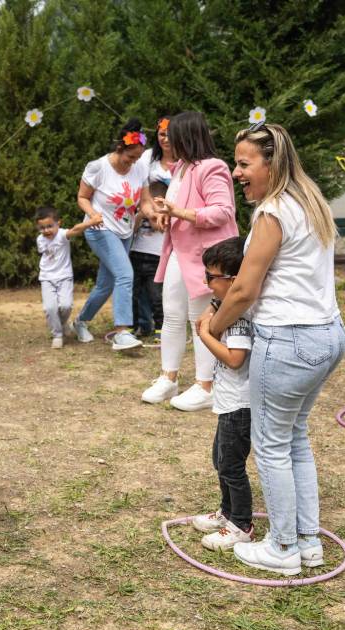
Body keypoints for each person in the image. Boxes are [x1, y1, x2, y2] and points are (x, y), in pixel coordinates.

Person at [206, 122, 345, 576]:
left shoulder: (273, 212)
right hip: (327, 334)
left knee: (270, 446)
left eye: (244, 163)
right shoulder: (309, 201)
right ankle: (307, 542)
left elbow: (244, 289)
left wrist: (214, 326)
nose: (236, 172)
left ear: (272, 163)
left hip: (289, 340)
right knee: (294, 438)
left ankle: (282, 548)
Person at [143, 111, 238, 411]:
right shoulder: (181, 168)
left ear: (187, 136)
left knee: (200, 318)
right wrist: (166, 215)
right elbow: (178, 207)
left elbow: (223, 211)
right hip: (179, 252)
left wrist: (179, 213)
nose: (167, 140)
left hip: (204, 257)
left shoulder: (213, 167)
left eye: (173, 135)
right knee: (172, 314)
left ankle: (205, 385)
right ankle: (168, 377)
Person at [190, 237, 254, 551]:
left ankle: (241, 524)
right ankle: (227, 512)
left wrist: (204, 334)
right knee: (220, 459)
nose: (207, 282)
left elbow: (235, 358)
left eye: (212, 277)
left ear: (234, 280)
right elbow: (214, 306)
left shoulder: (238, 318)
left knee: (231, 466)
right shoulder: (226, 308)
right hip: (229, 402)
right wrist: (212, 309)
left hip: (240, 405)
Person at [70, 118, 148, 350]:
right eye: (129, 157)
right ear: (119, 148)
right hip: (100, 229)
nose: (133, 162)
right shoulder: (98, 167)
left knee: (105, 285)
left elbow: (145, 202)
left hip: (125, 231)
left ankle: (80, 322)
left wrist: (155, 212)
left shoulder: (139, 167)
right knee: (125, 274)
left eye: (137, 158)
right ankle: (122, 332)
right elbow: (82, 197)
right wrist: (93, 214)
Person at [132, 115, 174, 341]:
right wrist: (147, 212)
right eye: (161, 134)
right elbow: (138, 190)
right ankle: (142, 324)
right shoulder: (147, 159)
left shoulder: (186, 162)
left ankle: (164, 325)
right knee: (139, 286)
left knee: (159, 288)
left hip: (171, 231)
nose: (165, 139)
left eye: (170, 134)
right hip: (143, 233)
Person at [35, 206, 91, 348]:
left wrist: (91, 222)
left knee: (66, 306)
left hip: (64, 276)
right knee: (50, 308)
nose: (46, 230)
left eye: (49, 226)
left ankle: (62, 323)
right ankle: (57, 335)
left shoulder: (62, 234)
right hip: (47, 277)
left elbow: (76, 230)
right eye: (42, 228)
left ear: (58, 223)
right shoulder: (40, 240)